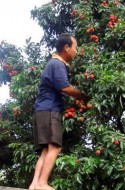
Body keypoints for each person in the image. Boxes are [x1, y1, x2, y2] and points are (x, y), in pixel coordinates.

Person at [29, 33, 86, 190]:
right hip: (49, 110)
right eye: (75, 47)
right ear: (66, 48)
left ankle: (34, 184)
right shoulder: (57, 64)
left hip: (42, 110)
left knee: (46, 150)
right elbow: (65, 88)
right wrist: (83, 95)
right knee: (55, 146)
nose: (76, 51)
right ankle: (42, 183)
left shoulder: (53, 63)